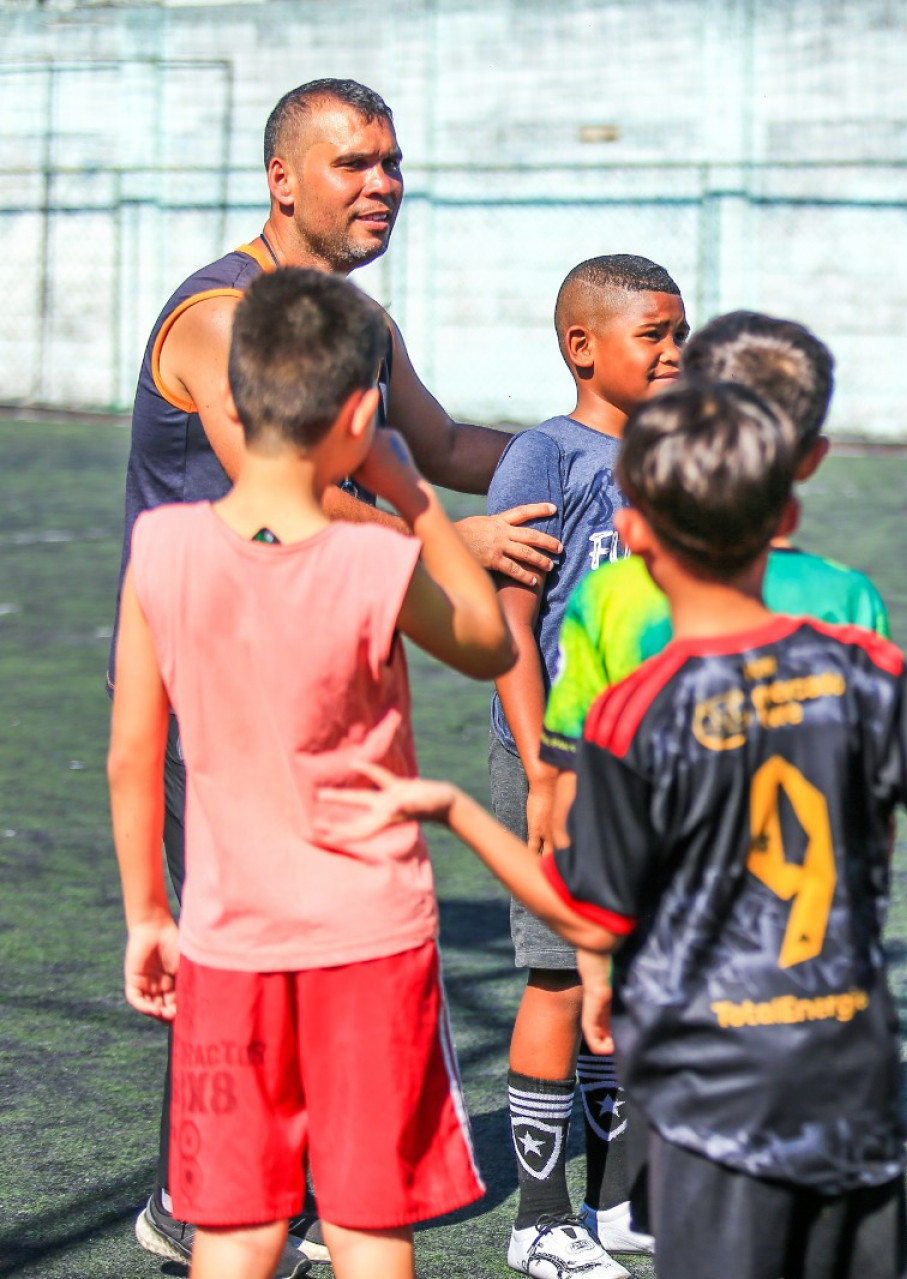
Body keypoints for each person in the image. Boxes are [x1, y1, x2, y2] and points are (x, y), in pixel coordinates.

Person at [319, 380, 907, 1279]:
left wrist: (460, 813)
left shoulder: (630, 712)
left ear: (638, 538)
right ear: (788, 516)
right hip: (841, 1063)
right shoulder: (860, 672)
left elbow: (586, 913)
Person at [121, 77, 558, 1270]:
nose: (383, 185)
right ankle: (198, 1200)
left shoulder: (359, 326)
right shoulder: (219, 320)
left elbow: (453, 443)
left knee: (320, 945)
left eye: (394, 163)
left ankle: (279, 1191)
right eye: (354, 164)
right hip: (215, 704)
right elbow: (286, 486)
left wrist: (597, 442)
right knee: (239, 958)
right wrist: (437, 538)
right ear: (282, 181)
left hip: (330, 696)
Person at [485, 254, 687, 1278]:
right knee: (561, 974)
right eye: (653, 333)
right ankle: (538, 1214)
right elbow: (511, 624)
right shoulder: (544, 458)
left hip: (648, 764)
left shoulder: (672, 459)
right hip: (555, 760)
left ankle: (616, 1200)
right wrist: (542, 764)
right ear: (581, 346)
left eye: (677, 333)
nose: (672, 352)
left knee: (639, 973)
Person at [537, 310, 890, 779]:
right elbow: (870, 785)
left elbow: (573, 786)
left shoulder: (609, 597)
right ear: (812, 459)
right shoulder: (847, 599)